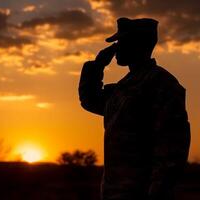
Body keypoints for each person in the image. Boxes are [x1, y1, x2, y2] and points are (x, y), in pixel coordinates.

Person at [78, 17, 191, 200]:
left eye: (121, 42)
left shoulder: (162, 85)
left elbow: (172, 148)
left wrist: (158, 191)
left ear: (138, 45)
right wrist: (97, 66)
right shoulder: (124, 88)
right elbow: (90, 100)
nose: (116, 48)